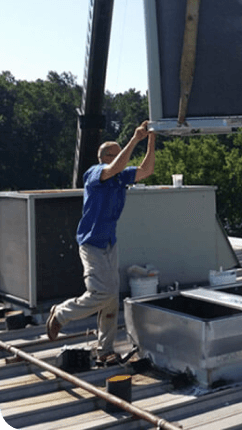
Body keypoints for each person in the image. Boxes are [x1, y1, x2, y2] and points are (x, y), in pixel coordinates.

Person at [46, 121, 156, 365]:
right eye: (115, 154)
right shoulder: (96, 173)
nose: (121, 158)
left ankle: (104, 348)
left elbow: (146, 170)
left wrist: (151, 139)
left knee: (110, 297)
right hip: (92, 243)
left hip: (109, 242)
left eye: (119, 154)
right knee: (101, 292)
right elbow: (116, 166)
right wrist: (135, 139)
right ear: (104, 157)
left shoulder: (119, 178)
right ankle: (61, 313)